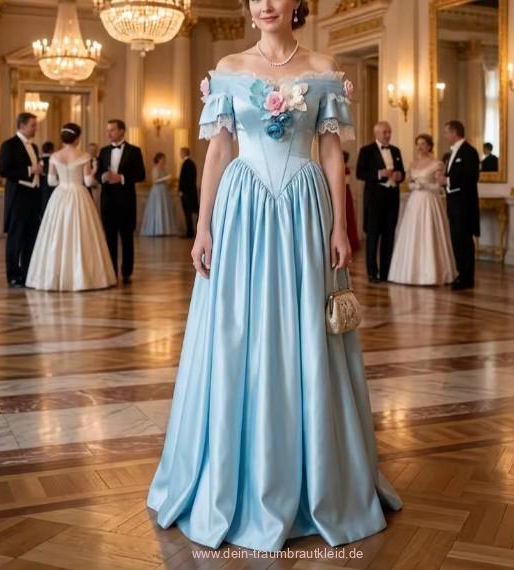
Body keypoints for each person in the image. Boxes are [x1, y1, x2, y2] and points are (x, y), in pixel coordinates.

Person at [147, 0, 402, 553]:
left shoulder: (323, 68)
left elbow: (331, 153)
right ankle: (233, 476)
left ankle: (317, 479)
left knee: (307, 327)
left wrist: (340, 226)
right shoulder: (229, 68)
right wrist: (202, 227)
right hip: (241, 210)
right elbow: (219, 153)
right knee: (236, 329)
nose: (264, 4)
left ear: (297, 4)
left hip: (305, 210)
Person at [25, 124, 116, 291]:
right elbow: (88, 181)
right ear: (77, 138)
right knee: (82, 233)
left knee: (56, 234)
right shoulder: (84, 155)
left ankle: (54, 276)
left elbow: (51, 181)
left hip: (59, 195)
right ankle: (82, 277)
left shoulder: (54, 156)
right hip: (79, 194)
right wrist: (94, 170)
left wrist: (64, 182)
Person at [388, 134, 457, 285]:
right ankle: (410, 273)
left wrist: (425, 185)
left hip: (429, 201)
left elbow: (439, 186)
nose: (420, 147)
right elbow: (408, 183)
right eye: (418, 144)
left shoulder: (437, 164)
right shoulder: (413, 164)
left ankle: (432, 274)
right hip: (414, 202)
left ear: (429, 146)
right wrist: (414, 185)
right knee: (413, 234)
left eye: (423, 144)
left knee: (429, 233)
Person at [96, 119, 146, 284]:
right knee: (109, 238)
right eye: (107, 130)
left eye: (112, 130)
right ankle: (111, 272)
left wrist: (122, 178)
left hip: (126, 201)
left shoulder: (134, 151)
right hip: (107, 201)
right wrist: (102, 177)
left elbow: (141, 175)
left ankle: (126, 272)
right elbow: (97, 174)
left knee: (127, 238)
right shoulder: (103, 151)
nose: (108, 133)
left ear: (122, 131)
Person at [356, 121, 405, 283]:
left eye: (389, 132)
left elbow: (402, 172)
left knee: (389, 236)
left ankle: (386, 272)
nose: (388, 135)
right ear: (376, 133)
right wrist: (379, 173)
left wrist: (400, 176)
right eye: (385, 132)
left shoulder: (396, 151)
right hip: (375, 200)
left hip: (392, 198)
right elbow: (360, 173)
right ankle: (372, 273)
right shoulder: (366, 151)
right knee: (373, 237)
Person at [0, 112, 42, 288]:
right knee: (15, 237)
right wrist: (31, 170)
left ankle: (27, 273)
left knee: (31, 237)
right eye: (33, 125)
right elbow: (3, 170)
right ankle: (13, 276)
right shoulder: (9, 145)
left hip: (33, 197)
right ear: (22, 126)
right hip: (18, 198)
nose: (35, 128)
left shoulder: (34, 147)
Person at [437, 120, 480, 290]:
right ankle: (461, 274)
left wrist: (447, 180)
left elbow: (471, 177)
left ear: (454, 132)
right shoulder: (452, 153)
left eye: (446, 132)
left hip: (464, 205)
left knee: (465, 241)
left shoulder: (470, 152)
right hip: (454, 204)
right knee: (456, 240)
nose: (445, 135)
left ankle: (467, 279)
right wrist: (444, 181)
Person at [140, 152, 176, 237]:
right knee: (157, 209)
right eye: (163, 159)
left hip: (164, 191)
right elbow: (154, 181)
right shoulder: (155, 168)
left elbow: (164, 180)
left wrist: (168, 180)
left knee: (164, 209)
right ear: (158, 159)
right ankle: (156, 230)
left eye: (164, 159)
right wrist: (165, 178)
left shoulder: (163, 169)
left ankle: (164, 230)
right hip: (157, 191)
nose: (164, 160)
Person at [178, 147, 199, 238]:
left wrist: (182, 190)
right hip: (190, 192)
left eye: (181, 152)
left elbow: (186, 179)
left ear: (185, 153)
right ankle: (190, 231)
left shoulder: (187, 164)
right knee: (190, 212)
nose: (180, 154)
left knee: (188, 212)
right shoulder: (190, 163)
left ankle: (190, 232)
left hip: (187, 193)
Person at [343, 150, 360, 252]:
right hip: (344, 194)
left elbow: (346, 182)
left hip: (345, 195)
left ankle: (350, 242)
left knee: (347, 217)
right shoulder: (343, 169)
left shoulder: (346, 170)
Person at [40, 141, 56, 217]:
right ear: (52, 150)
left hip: (42, 184)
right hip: (53, 185)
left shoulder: (39, 160)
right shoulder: (54, 159)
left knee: (43, 205)